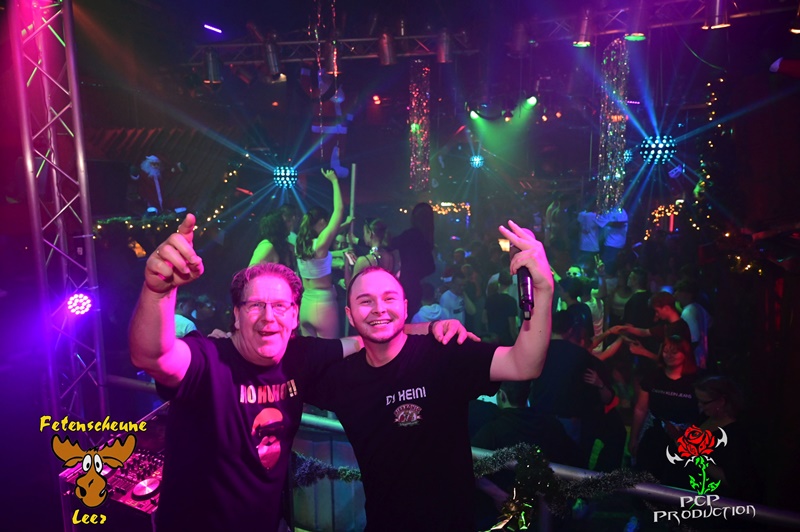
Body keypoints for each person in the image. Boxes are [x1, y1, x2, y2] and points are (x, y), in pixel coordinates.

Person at [128, 214, 474, 532]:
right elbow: (152, 356)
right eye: (255, 306)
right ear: (236, 314)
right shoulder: (209, 359)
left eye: (280, 306)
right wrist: (158, 292)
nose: (269, 317)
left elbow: (367, 338)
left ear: (294, 316)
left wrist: (430, 329)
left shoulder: (299, 355)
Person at [306, 220, 554, 531]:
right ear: (350, 315)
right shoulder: (344, 377)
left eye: (389, 298)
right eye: (365, 301)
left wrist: (544, 290)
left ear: (405, 305)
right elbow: (287, 361)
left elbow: (524, 364)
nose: (379, 308)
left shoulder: (443, 352)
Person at [629, 335, 699, 482]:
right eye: (666, 351)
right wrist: (634, 438)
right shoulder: (653, 377)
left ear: (685, 354)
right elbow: (640, 409)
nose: (668, 355)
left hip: (684, 441)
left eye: (674, 352)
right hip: (655, 437)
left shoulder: (696, 380)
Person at [295, 169, 346, 338]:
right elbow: (339, 210)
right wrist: (334, 181)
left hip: (305, 304)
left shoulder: (300, 244)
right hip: (323, 304)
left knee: (308, 352)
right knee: (328, 351)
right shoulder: (321, 244)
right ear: (323, 222)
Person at [391, 202, 436, 318]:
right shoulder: (426, 239)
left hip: (406, 285)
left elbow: (390, 245)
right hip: (415, 286)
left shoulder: (411, 235)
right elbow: (431, 267)